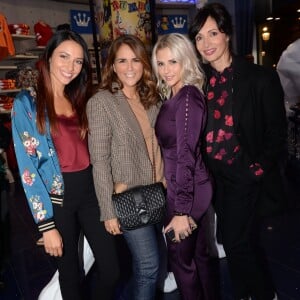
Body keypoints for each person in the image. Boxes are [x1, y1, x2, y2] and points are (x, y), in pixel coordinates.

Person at [11, 29, 119, 300]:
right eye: (64, 57)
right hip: (59, 199)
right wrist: (46, 227)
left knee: (112, 269)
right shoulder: (27, 102)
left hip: (90, 191)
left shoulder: (80, 96)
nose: (70, 67)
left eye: (78, 61)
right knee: (70, 275)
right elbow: (28, 169)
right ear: (48, 57)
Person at [189, 3, 287, 300]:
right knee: (237, 239)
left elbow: (276, 133)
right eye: (199, 37)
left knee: (234, 242)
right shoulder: (198, 81)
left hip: (243, 173)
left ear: (227, 34)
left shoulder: (259, 78)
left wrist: (256, 170)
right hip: (212, 176)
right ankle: (247, 291)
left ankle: (264, 293)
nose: (206, 44)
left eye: (213, 33)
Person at [86, 34, 164, 300]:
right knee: (148, 266)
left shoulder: (152, 99)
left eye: (136, 60)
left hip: (157, 192)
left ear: (144, 64)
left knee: (153, 265)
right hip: (128, 197)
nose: (130, 67)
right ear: (112, 66)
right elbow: (99, 161)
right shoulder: (101, 102)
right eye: (122, 61)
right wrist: (108, 211)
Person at [152, 33, 218, 300]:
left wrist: (180, 210)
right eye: (161, 63)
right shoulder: (176, 95)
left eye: (173, 62)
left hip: (188, 192)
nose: (166, 70)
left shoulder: (188, 96)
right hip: (186, 186)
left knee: (181, 260)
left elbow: (186, 155)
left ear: (186, 61)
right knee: (200, 256)